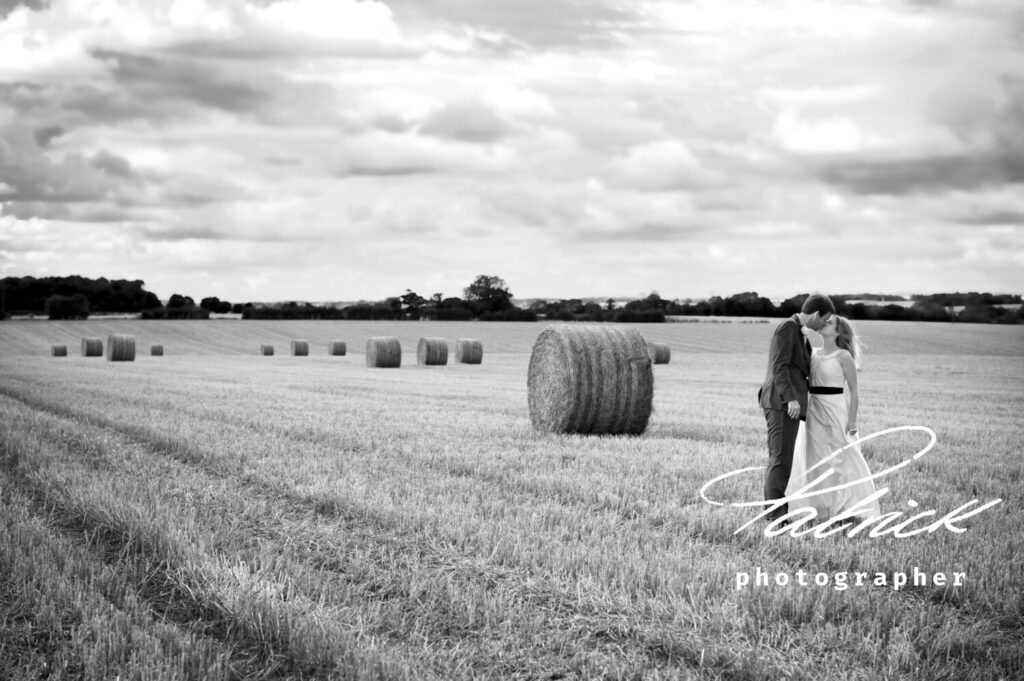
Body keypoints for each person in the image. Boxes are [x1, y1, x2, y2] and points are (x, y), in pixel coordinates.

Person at [784, 316, 881, 523]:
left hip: (836, 409)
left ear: (838, 332)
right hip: (813, 409)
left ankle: (849, 504)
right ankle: (819, 509)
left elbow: (854, 392)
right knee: (813, 458)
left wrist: (852, 421)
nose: (824, 324)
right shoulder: (813, 353)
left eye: (829, 323)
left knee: (842, 458)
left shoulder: (843, 356)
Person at [758, 294, 836, 523]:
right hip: (781, 404)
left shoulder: (800, 333)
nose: (824, 325)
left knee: (783, 461)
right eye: (825, 319)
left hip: (787, 405)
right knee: (780, 461)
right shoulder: (788, 328)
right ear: (815, 314)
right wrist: (791, 398)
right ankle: (775, 518)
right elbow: (779, 366)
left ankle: (776, 513)